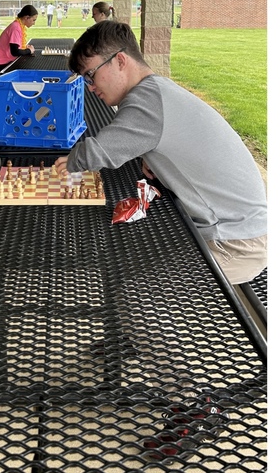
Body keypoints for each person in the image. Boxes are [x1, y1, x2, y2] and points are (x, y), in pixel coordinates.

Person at [54, 21, 266, 285]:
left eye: (90, 75)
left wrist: (72, 160)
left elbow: (100, 152)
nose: (90, 87)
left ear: (120, 60)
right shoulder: (156, 89)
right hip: (235, 226)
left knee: (135, 296)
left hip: (235, 242)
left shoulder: (146, 101)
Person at [0, 4, 38, 76]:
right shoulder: (16, 27)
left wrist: (24, 47)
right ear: (26, 17)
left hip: (6, 63)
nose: (34, 23)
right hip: (1, 66)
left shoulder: (18, 25)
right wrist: (29, 51)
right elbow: (15, 52)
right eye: (33, 20)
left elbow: (16, 47)